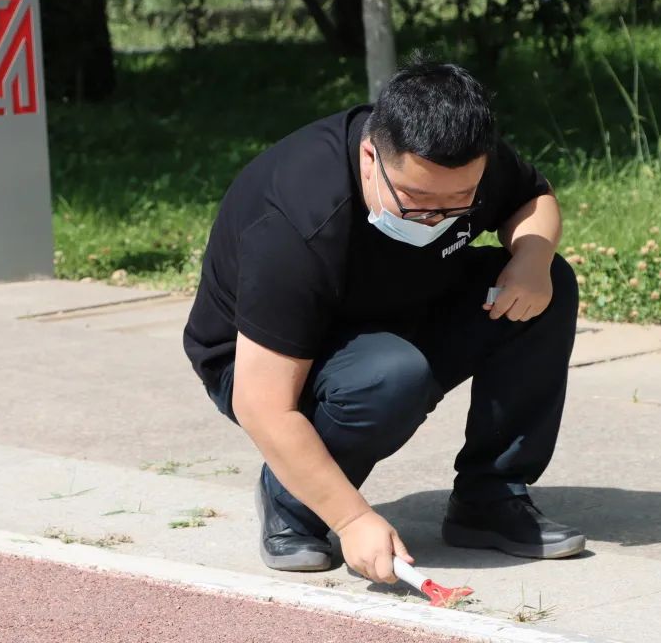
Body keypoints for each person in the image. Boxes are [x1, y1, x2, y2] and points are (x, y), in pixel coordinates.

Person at [183, 58, 584, 587]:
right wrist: (352, 519)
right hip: (269, 360)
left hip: (404, 306)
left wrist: (532, 258)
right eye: (417, 203)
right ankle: (292, 501)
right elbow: (262, 403)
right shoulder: (297, 219)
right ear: (370, 157)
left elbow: (532, 198)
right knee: (389, 377)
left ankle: (490, 498)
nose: (438, 218)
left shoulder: (460, 151)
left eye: (458, 204)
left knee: (547, 287)